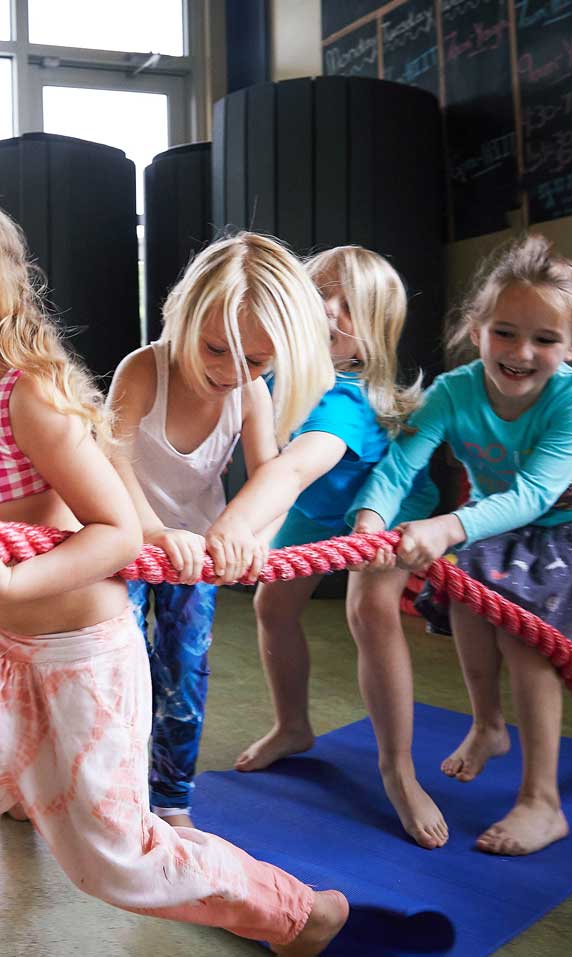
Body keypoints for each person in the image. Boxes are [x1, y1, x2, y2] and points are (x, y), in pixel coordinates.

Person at [0, 180, 348, 956]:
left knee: (112, 859)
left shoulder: (28, 396)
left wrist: (18, 579)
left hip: (82, 650)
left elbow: (117, 530)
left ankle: (292, 910)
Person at [350, 233, 572, 856]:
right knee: (468, 599)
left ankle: (543, 801)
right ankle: (488, 725)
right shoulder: (454, 391)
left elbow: (536, 493)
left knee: (523, 634)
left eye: (545, 339)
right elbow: (402, 466)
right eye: (504, 332)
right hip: (498, 520)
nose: (521, 352)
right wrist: (371, 521)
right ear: (477, 329)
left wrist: (447, 527)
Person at [203, 246, 447, 848]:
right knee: (272, 608)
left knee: (369, 611)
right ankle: (293, 727)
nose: (329, 312)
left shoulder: (344, 399)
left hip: (384, 505)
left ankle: (398, 769)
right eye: (319, 295)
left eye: (350, 308)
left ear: (368, 343)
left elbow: (289, 472)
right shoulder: (270, 372)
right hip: (318, 511)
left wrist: (235, 528)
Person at [106, 232, 332, 828]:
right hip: (122, 542)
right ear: (182, 316)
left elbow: (271, 478)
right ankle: (96, 787)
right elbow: (112, 465)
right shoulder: (142, 372)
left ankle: (172, 798)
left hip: (194, 556)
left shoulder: (251, 394)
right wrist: (154, 534)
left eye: (254, 361)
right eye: (214, 348)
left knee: (185, 673)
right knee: (112, 667)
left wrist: (258, 539)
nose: (230, 372)